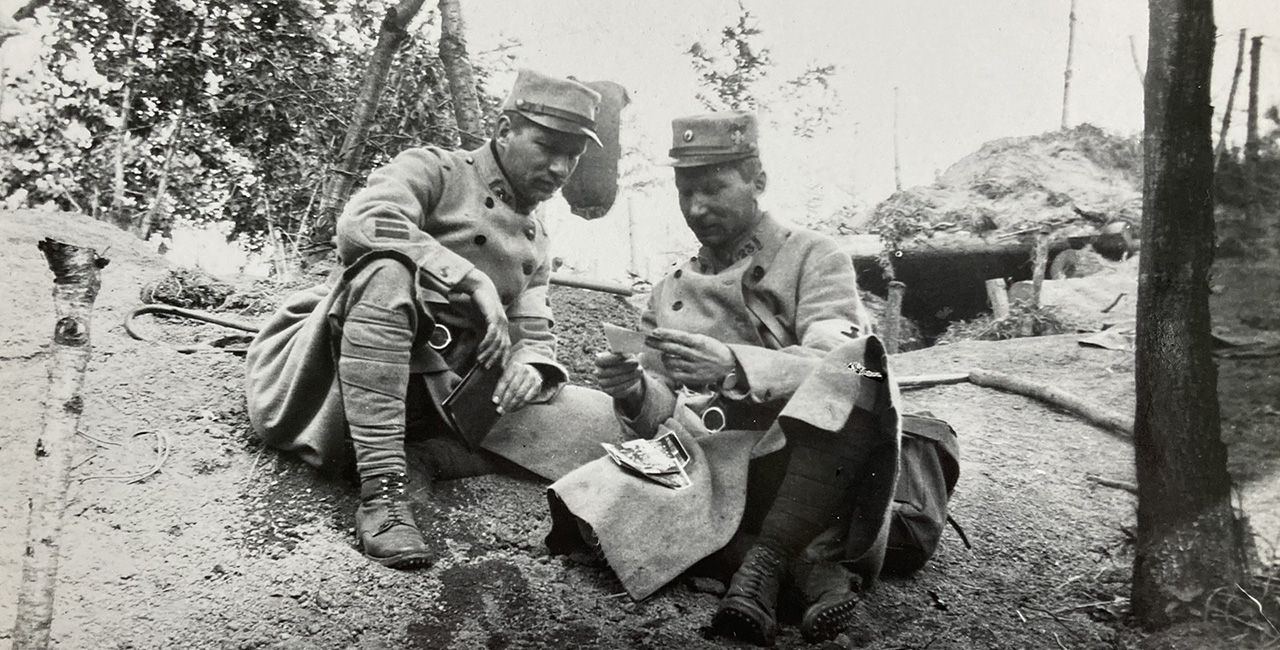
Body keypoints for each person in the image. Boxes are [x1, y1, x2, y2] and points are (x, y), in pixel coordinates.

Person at [546, 111, 902, 645]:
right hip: (713, 468)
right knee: (591, 505)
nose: (697, 208)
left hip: (804, 459)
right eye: (685, 192)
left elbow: (848, 364)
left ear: (759, 181)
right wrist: (635, 391)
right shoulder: (667, 290)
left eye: (713, 188)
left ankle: (760, 564)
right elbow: (661, 415)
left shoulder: (814, 257)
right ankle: (799, 570)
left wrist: (734, 366)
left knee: (865, 363)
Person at [245, 69, 622, 570]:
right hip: (342, 372)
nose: (558, 167)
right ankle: (382, 494)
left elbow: (534, 326)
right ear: (506, 129)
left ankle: (431, 456)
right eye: (547, 146)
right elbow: (363, 222)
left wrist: (529, 365)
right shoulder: (437, 171)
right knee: (386, 272)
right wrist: (469, 279)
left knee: (605, 421)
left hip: (444, 394)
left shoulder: (537, 238)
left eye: (571, 156)